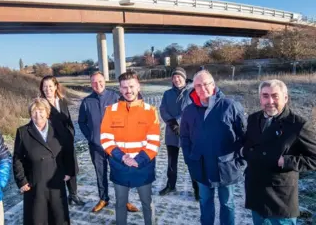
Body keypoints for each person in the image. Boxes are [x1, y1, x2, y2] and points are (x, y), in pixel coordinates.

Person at [242, 79, 316, 225]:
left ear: (286, 98)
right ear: (260, 98)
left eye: (275, 96)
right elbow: (250, 145)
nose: (270, 101)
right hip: (256, 194)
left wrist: (287, 161)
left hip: (280, 199)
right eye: (265, 96)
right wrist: (244, 151)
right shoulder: (253, 119)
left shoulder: (298, 125)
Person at [180, 70, 246, 225]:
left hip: (226, 165)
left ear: (213, 85)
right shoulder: (189, 111)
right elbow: (184, 138)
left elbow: (244, 136)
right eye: (198, 86)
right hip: (201, 165)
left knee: (227, 204)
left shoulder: (230, 106)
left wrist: (240, 161)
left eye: (206, 84)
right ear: (193, 88)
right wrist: (190, 159)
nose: (202, 89)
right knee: (205, 202)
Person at [100, 71, 160, 225]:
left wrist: (138, 159)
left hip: (143, 166)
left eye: (132, 86)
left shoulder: (150, 110)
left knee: (147, 203)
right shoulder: (110, 110)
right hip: (120, 166)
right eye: (124, 87)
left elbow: (153, 142)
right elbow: (106, 139)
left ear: (138, 86)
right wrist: (123, 158)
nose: (128, 91)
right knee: (120, 204)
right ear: (119, 89)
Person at [78, 71, 140, 213]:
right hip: (96, 146)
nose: (97, 85)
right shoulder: (87, 102)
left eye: (100, 81)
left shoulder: (115, 97)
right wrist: (91, 137)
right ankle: (103, 199)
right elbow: (82, 122)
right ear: (90, 84)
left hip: (115, 146)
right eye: (94, 82)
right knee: (100, 173)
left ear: (104, 81)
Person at [12, 98, 75, 225]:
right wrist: (22, 181)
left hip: (56, 180)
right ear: (30, 114)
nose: (38, 114)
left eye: (41, 111)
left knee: (58, 217)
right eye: (34, 111)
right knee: (37, 219)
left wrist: (69, 171)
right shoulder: (23, 132)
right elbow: (17, 158)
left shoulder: (59, 129)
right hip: (35, 182)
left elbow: (68, 151)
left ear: (47, 112)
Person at [40, 75, 85, 205]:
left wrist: (71, 134)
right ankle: (59, 198)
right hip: (52, 143)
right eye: (45, 86)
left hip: (67, 141)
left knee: (71, 167)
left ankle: (73, 195)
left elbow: (69, 120)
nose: (47, 89)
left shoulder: (62, 101)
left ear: (55, 87)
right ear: (42, 88)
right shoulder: (41, 103)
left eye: (50, 86)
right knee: (57, 169)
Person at [158, 67, 199, 200]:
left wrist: (178, 121)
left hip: (189, 132)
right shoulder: (167, 93)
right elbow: (162, 109)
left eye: (179, 77)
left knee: (192, 161)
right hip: (171, 131)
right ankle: (171, 185)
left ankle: (197, 188)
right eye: (174, 77)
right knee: (171, 162)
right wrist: (171, 122)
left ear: (184, 77)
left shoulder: (192, 92)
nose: (177, 79)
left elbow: (192, 109)